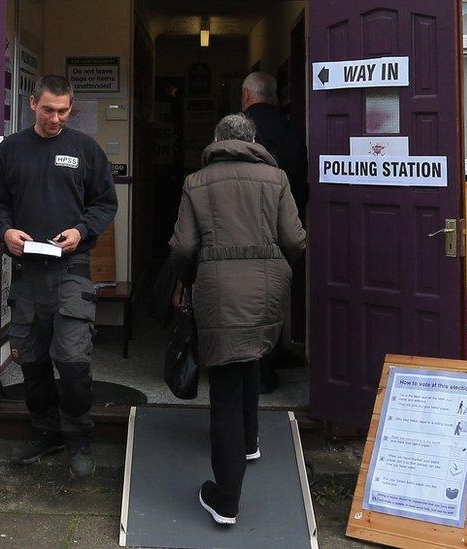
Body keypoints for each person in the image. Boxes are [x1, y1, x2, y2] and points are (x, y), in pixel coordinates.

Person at [169, 114, 307, 525]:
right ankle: (249, 442)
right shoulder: (277, 178)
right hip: (268, 287)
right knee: (251, 357)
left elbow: (183, 245)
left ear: (217, 140)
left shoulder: (197, 181)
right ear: (253, 141)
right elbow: (295, 240)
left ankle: (225, 498)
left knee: (225, 385)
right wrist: (276, 267)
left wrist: (187, 278)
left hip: (218, 288)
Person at [0, 74, 118, 478]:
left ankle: (78, 436)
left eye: (63, 111)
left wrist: (81, 230)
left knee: (74, 360)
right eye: (49, 110)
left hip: (71, 271)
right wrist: (6, 232)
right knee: (33, 359)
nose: (56, 118)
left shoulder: (85, 149)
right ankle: (46, 431)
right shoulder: (11, 149)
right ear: (31, 104)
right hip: (28, 273)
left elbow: (104, 203)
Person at [241, 72, 309, 394]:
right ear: (275, 97)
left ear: (245, 96)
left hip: (242, 225)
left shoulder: (238, 129)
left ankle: (254, 368)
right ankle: (270, 357)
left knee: (244, 297)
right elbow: (299, 178)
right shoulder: (290, 128)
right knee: (274, 296)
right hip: (281, 225)